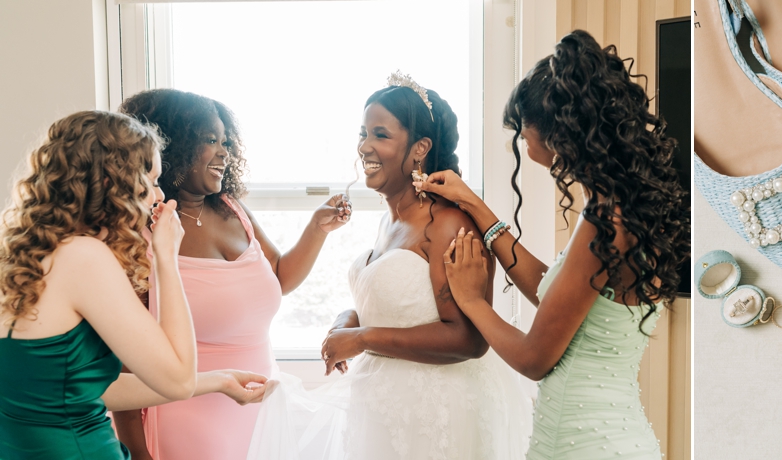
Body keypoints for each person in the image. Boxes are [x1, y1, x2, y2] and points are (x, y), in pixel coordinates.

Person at [421, 30, 689, 459]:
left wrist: (472, 301)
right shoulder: (623, 205)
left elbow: (534, 358)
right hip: (612, 434)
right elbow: (561, 295)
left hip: (584, 443)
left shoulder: (606, 220)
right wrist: (475, 205)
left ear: (560, 133)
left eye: (524, 134)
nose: (524, 146)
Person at [246, 72, 531, 460]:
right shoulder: (389, 222)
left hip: (436, 417)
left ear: (420, 148)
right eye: (362, 133)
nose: (364, 146)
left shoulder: (448, 225)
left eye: (380, 134)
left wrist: (362, 338)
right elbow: (392, 306)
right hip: (383, 411)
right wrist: (347, 321)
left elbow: (468, 339)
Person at [0, 111, 268, 460]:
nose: (158, 195)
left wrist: (219, 380)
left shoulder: (24, 255)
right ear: (115, 183)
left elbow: (87, 389)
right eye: (152, 181)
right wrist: (166, 259)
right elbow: (179, 378)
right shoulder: (84, 258)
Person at [113, 89, 351, 460]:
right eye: (210, 140)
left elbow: (279, 278)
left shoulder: (232, 209)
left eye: (226, 141)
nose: (225, 152)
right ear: (171, 146)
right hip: (188, 422)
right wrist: (139, 455)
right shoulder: (144, 234)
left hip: (260, 413)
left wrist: (316, 229)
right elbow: (124, 365)